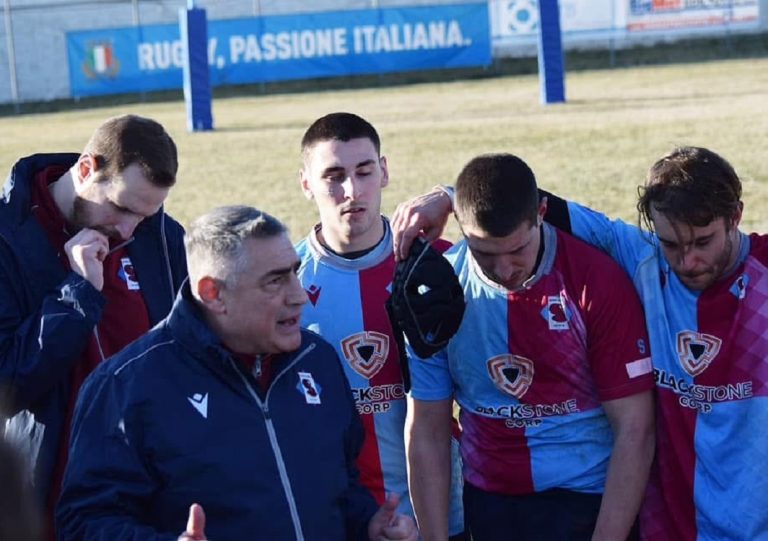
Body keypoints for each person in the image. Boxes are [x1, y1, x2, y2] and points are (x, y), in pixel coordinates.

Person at [392, 146, 768, 541]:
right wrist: (452, 197)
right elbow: (538, 207)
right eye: (672, 244)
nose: (687, 261)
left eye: (703, 242)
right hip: (670, 526)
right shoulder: (643, 256)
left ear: (736, 216)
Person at [56, 205, 419, 541]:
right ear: (213, 293)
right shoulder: (126, 385)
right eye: (275, 281)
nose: (299, 296)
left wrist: (368, 526)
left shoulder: (316, 359)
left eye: (294, 272)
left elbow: (341, 488)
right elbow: (85, 521)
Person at [405, 154, 655, 541]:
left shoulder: (594, 281)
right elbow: (427, 429)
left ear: (542, 212)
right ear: (460, 226)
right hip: (490, 502)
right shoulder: (437, 294)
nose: (503, 270)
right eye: (485, 254)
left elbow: (635, 430)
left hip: (588, 502)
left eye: (516, 250)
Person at [0, 114, 187, 538]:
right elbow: (7, 384)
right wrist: (78, 293)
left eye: (145, 213)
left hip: (146, 494)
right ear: (87, 169)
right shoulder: (8, 240)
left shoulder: (158, 235)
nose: (127, 229)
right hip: (49, 497)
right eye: (121, 207)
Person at [295, 112, 466, 538]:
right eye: (333, 176)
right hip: (346, 517)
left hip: (447, 508)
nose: (352, 191)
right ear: (306, 184)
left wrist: (451, 195)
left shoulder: (439, 262)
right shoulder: (288, 284)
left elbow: (518, 216)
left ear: (385, 171)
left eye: (364, 171)